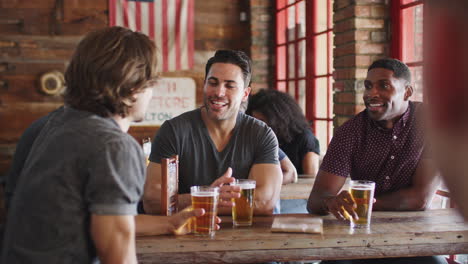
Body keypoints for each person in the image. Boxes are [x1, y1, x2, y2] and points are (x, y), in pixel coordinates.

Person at [1, 27, 209, 264]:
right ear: (133, 87)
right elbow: (118, 256)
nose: (151, 93)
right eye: (151, 83)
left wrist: (169, 223)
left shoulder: (56, 123)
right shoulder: (114, 147)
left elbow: (100, 218)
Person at [308, 58, 442, 264]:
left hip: (413, 235)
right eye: (368, 86)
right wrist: (331, 201)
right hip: (359, 235)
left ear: (407, 92)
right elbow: (315, 200)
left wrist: (362, 205)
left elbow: (420, 198)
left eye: (384, 86)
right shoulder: (349, 133)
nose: (371, 94)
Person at [143, 50, 283, 216]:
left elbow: (265, 202)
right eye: (213, 83)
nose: (219, 92)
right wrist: (208, 195)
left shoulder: (261, 134)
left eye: (230, 86)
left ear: (245, 94)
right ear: (204, 84)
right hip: (185, 235)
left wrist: (189, 201)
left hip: (245, 237)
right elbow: (152, 201)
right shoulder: (173, 131)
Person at [246, 89, 320, 176]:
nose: (258, 125)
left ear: (279, 119)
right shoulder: (255, 135)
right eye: (255, 120)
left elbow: (310, 177)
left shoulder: (305, 138)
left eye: (262, 121)